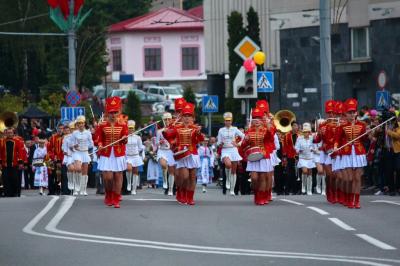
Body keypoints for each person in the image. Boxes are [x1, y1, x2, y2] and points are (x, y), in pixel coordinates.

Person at [96, 97, 128, 208]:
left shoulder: (123, 124)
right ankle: (108, 193)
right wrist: (100, 145)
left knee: (118, 176)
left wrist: (124, 138)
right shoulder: (102, 125)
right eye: (111, 112)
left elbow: (125, 140)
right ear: (107, 113)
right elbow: (98, 139)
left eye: (115, 112)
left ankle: (115, 198)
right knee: (108, 177)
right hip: (106, 153)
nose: (113, 115)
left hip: (119, 153)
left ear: (118, 112)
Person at [335, 99, 367, 209]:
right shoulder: (342, 126)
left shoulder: (362, 125)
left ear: (356, 113)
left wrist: (369, 132)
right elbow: (337, 140)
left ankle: (356, 201)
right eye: (350, 112)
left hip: (358, 153)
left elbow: (365, 139)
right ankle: (348, 199)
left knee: (357, 178)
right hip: (347, 153)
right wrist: (335, 148)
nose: (352, 114)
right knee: (349, 179)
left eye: (354, 112)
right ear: (346, 114)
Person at [171, 102, 204, 205]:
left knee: (192, 176)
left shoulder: (195, 128)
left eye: (189, 116)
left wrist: (198, 133)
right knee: (184, 177)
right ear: (182, 117)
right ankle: (181, 190)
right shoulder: (177, 128)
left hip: (193, 153)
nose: (187, 118)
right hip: (182, 155)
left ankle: (190, 197)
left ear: (192, 118)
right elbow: (170, 138)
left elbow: (200, 140)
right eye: (185, 116)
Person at [241, 107, 274, 205]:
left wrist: (269, 127)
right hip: (253, 157)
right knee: (254, 178)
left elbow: (270, 138)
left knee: (263, 177)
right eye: (255, 119)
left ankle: (262, 197)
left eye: (259, 119)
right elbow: (243, 146)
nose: (257, 121)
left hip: (264, 156)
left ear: (261, 120)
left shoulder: (266, 130)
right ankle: (256, 194)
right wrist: (245, 140)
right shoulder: (248, 131)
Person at [217, 112, 244, 195]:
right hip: (225, 150)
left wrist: (239, 144)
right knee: (228, 165)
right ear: (224, 121)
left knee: (234, 171)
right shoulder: (221, 130)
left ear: (231, 121)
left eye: (229, 120)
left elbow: (243, 136)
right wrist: (220, 144)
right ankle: (227, 180)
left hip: (233, 150)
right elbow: (218, 142)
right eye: (226, 121)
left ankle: (232, 189)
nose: (228, 122)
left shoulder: (235, 129)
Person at [70, 116, 93, 196]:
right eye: (79, 123)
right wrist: (73, 146)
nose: (80, 125)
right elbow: (70, 143)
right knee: (77, 169)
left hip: (85, 153)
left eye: (82, 123)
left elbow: (91, 144)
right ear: (77, 124)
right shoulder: (74, 133)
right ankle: (76, 188)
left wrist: (88, 146)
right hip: (77, 153)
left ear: (84, 123)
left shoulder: (88, 133)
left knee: (85, 172)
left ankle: (83, 189)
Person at [0, 128, 27, 197]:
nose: (9, 134)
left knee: (14, 178)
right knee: (5, 179)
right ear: (6, 133)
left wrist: (21, 162)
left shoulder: (17, 141)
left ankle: (15, 192)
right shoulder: (2, 141)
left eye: (10, 133)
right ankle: (7, 193)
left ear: (13, 133)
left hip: (14, 163)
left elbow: (20, 152)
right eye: (8, 133)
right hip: (4, 163)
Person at [156, 112, 176, 196]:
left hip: (170, 151)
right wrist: (160, 142)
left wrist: (173, 142)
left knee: (171, 171)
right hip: (162, 150)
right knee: (164, 165)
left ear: (171, 120)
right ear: (163, 120)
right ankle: (165, 181)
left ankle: (170, 189)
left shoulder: (174, 130)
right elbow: (156, 142)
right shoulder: (159, 131)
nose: (167, 121)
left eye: (168, 119)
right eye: (165, 119)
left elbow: (176, 140)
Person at [295, 123, 316, 195]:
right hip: (302, 157)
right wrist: (298, 150)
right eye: (304, 132)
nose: (306, 133)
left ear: (309, 132)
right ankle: (303, 186)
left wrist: (313, 149)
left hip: (310, 157)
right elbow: (296, 147)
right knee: (304, 171)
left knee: (310, 173)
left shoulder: (312, 138)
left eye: (307, 132)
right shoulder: (299, 138)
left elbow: (315, 146)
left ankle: (309, 189)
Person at [126, 120, 144, 195]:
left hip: (135, 156)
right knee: (129, 169)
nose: (131, 129)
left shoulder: (138, 137)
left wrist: (139, 154)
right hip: (128, 156)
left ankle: (134, 189)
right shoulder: (125, 137)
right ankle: (129, 183)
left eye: (132, 128)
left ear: (134, 128)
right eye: (129, 128)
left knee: (136, 172)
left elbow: (140, 147)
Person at [47, 123, 64, 195]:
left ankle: (58, 190)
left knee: (58, 175)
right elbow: (49, 149)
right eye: (59, 128)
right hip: (51, 159)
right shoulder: (53, 137)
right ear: (57, 129)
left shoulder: (65, 137)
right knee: (50, 175)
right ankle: (51, 190)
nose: (60, 130)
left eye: (62, 128)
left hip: (60, 159)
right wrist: (53, 156)